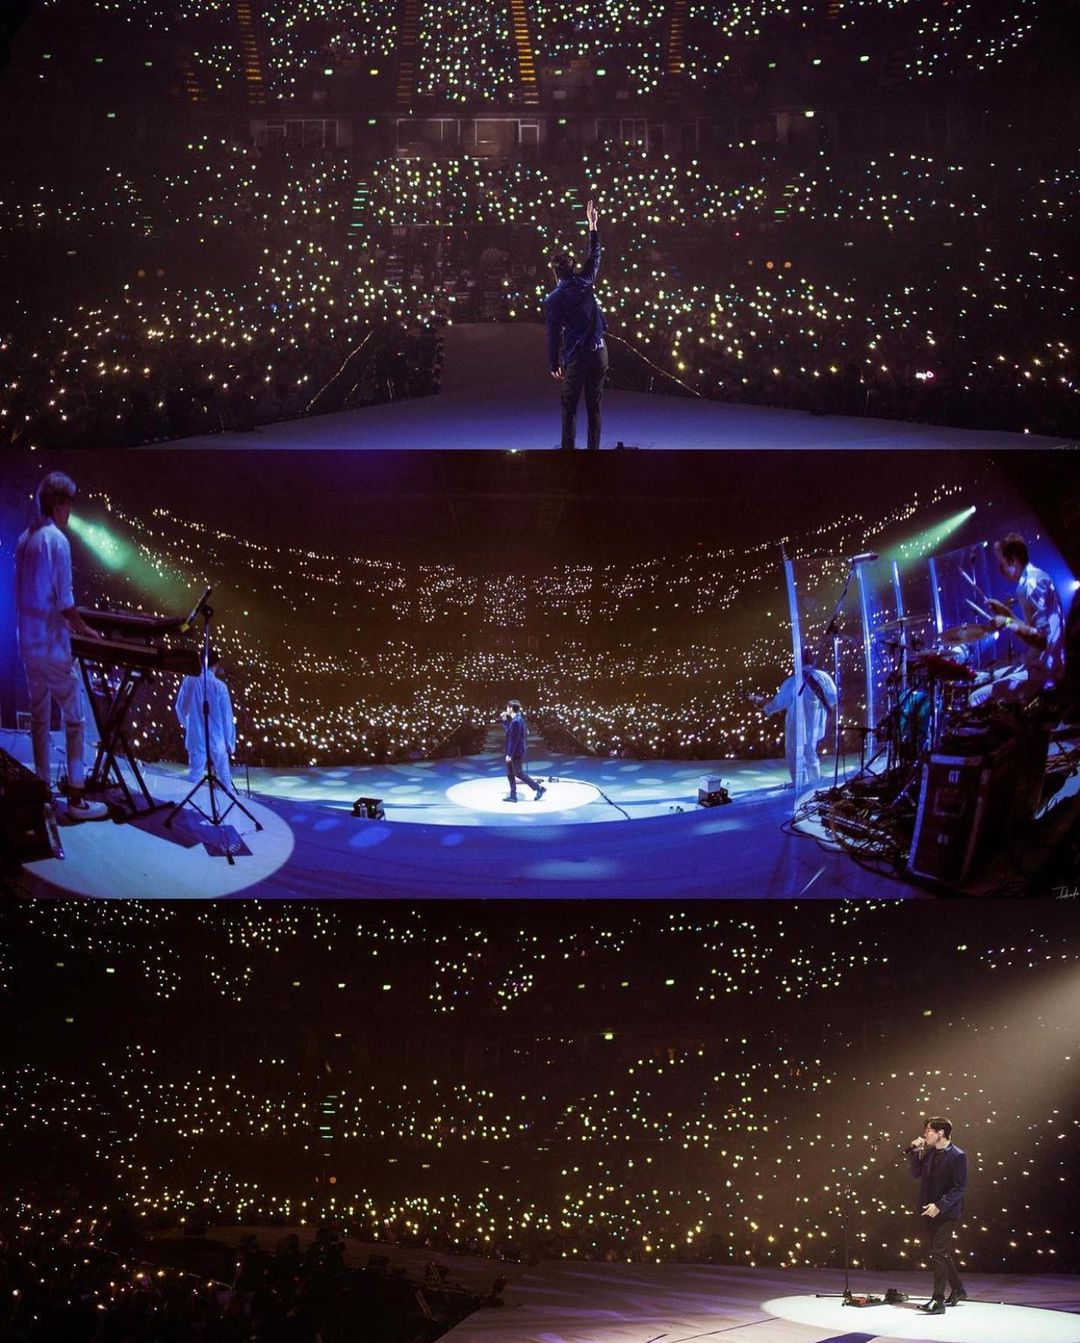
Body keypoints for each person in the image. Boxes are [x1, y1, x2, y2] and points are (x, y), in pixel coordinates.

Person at [14, 472, 108, 822]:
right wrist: (87, 631)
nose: (70, 512)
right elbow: (66, 604)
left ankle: (42, 796)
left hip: (28, 643)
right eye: (69, 504)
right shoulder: (57, 541)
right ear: (58, 504)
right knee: (74, 720)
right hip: (52, 647)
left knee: (39, 719)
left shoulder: (24, 539)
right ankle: (77, 799)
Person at [970, 533, 1064, 707]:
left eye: (1001, 565)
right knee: (991, 675)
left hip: (1046, 670)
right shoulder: (1030, 580)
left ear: (1012, 561)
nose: (1000, 571)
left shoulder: (1032, 585)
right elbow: (1032, 630)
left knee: (975, 698)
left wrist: (1007, 622)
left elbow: (1041, 640)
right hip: (1038, 663)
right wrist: (1006, 613)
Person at [544, 198, 607, 450]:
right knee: (595, 406)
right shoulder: (586, 281)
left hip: (578, 357)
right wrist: (592, 225)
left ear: (555, 273)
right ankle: (594, 454)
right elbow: (595, 255)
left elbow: (553, 334)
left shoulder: (554, 299)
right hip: (600, 354)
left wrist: (554, 363)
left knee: (569, 406)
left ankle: (568, 453)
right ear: (574, 268)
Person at [906, 1116, 968, 1314]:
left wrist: (939, 1206)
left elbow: (960, 1188)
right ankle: (958, 1289)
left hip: (947, 1212)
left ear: (940, 1133)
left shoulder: (958, 1156)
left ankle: (938, 1300)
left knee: (938, 1253)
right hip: (928, 1209)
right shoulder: (931, 1153)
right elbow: (916, 1173)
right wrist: (916, 1152)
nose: (925, 1134)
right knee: (940, 1252)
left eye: (928, 1131)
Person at [751, 649, 838, 786]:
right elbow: (833, 699)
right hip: (816, 726)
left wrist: (765, 707)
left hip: (796, 727)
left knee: (795, 757)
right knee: (810, 753)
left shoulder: (792, 682)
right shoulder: (824, 677)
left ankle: (800, 786)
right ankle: (815, 784)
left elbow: (778, 704)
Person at [175, 651, 237, 793]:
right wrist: (230, 742)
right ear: (216, 665)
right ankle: (227, 802)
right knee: (224, 776)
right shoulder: (220, 686)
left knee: (194, 776)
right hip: (217, 737)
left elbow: (180, 707)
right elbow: (227, 716)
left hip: (196, 737)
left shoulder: (189, 681)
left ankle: (192, 804)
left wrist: (189, 725)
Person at [503, 700, 546, 803]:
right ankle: (513, 795)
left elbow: (514, 740)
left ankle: (539, 788)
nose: (506, 709)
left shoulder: (517, 721)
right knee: (510, 773)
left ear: (511, 709)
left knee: (518, 773)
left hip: (516, 752)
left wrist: (509, 754)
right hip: (515, 750)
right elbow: (510, 732)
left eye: (507, 707)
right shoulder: (516, 720)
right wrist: (505, 720)